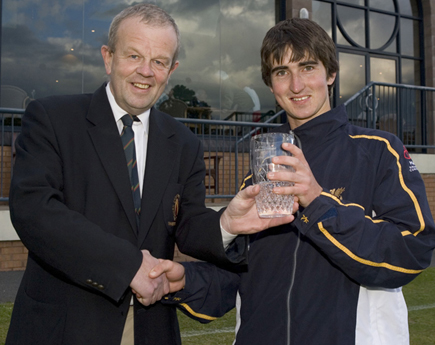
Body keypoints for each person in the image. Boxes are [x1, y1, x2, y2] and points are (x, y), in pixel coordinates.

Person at [5, 4, 294, 345]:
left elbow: (186, 224)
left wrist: (226, 224)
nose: (145, 71)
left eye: (158, 61)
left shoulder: (183, 143)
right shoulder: (53, 119)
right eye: (134, 56)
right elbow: (35, 211)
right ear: (108, 58)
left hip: (151, 328)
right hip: (64, 327)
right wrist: (128, 266)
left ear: (171, 70)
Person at [151, 18, 435, 345]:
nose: (296, 85)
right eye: (282, 72)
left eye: (308, 67)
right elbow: (243, 279)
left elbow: (411, 252)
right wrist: (184, 281)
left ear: (330, 74)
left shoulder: (379, 151)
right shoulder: (264, 168)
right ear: (271, 86)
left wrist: (318, 201)